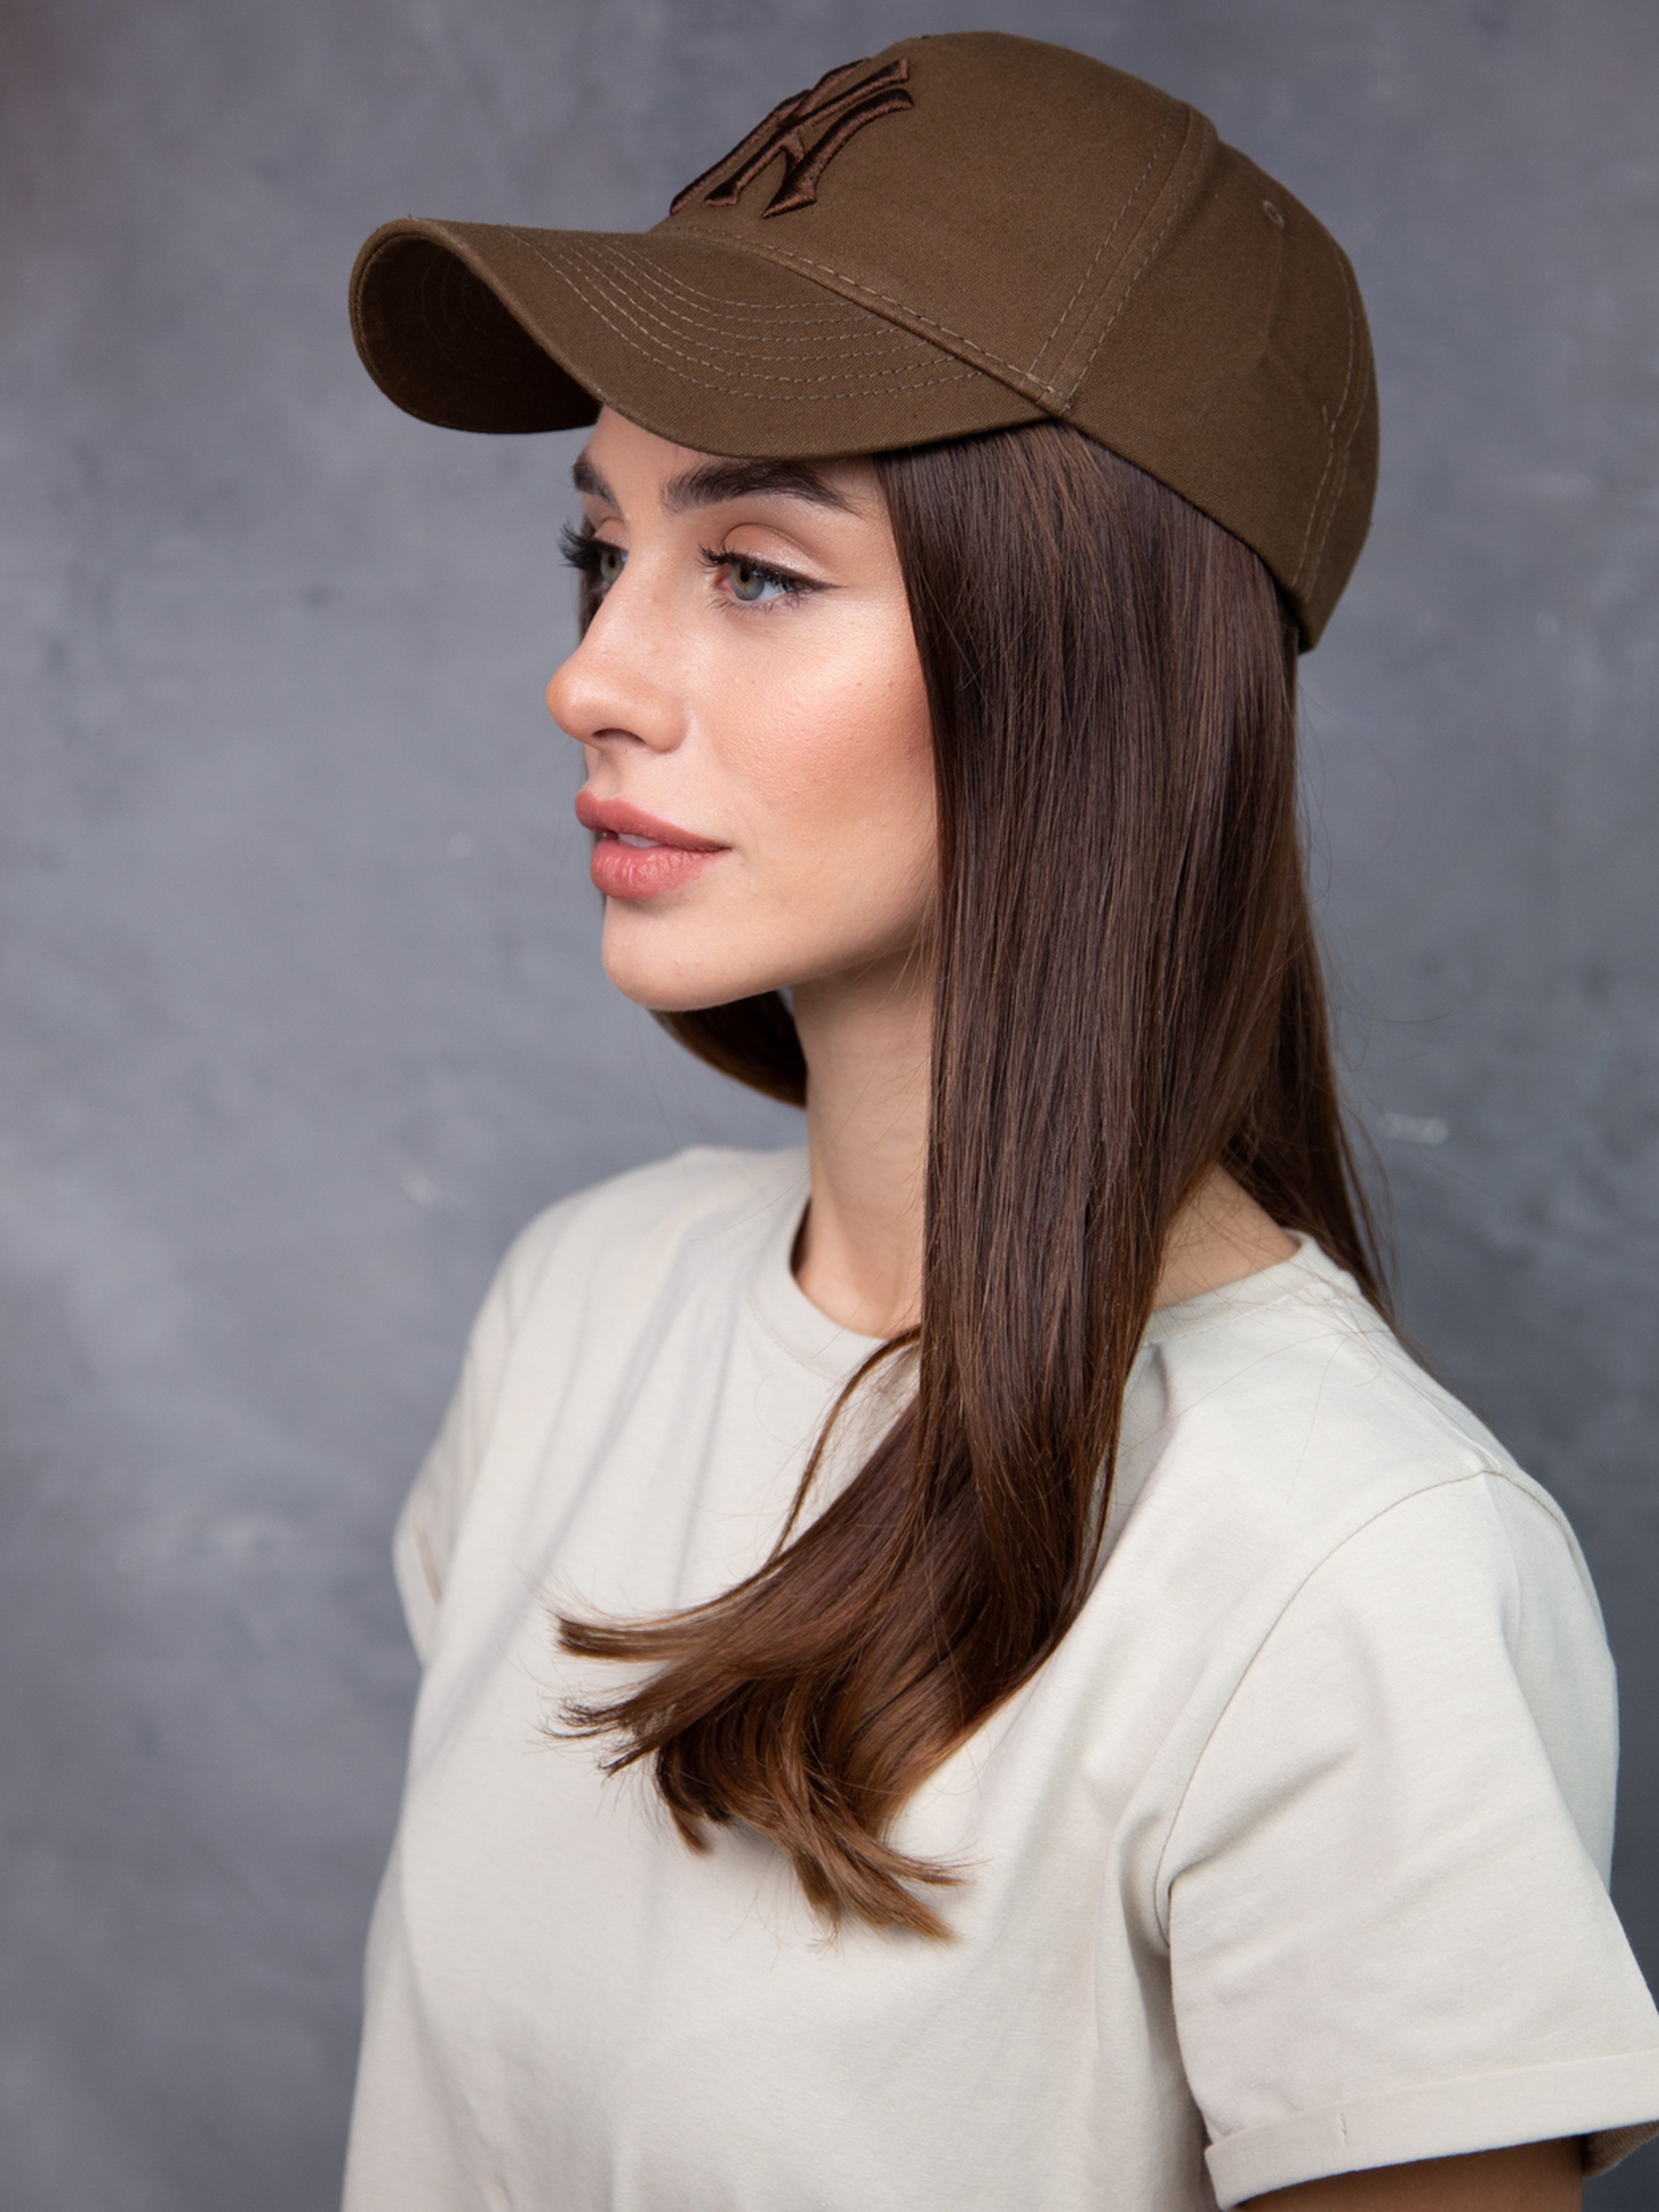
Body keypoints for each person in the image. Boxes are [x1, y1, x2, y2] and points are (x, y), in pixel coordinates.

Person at [339, 32, 1659, 2212]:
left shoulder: (1351, 1566)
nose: (592, 678)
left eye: (755, 570)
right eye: (601, 552)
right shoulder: (580, 1315)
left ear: (1091, 654)